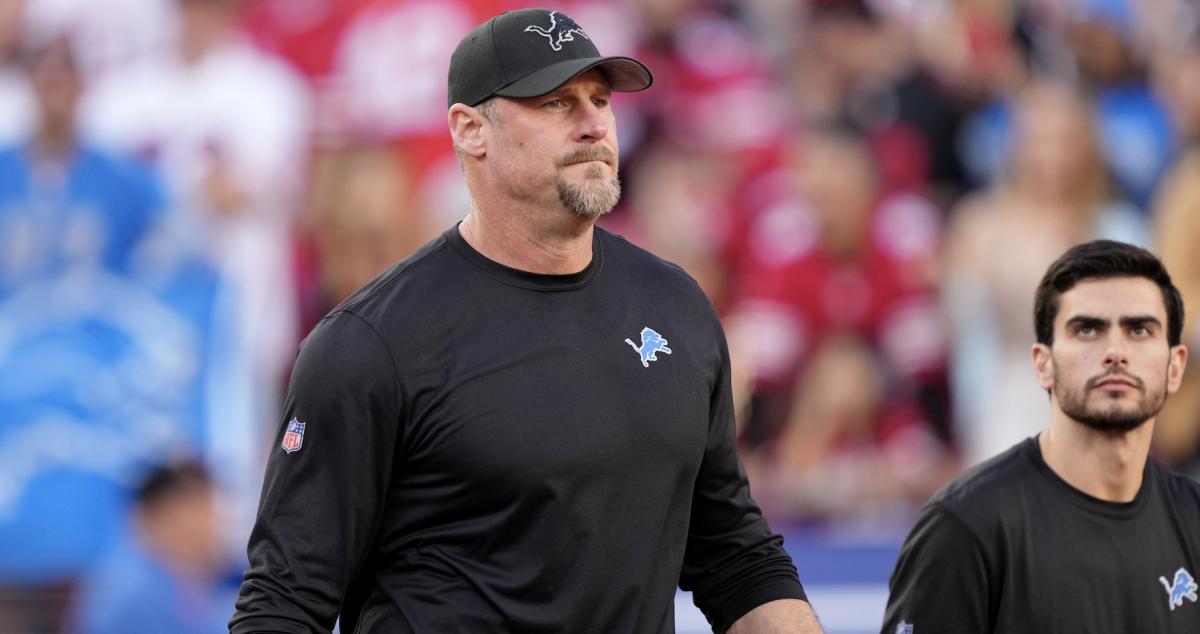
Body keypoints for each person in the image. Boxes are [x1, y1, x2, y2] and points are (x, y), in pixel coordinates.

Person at [230, 8, 822, 634]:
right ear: (470, 130)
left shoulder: (674, 308)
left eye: (600, 99)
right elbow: (284, 604)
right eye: (557, 103)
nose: (595, 125)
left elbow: (734, 554)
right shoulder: (371, 344)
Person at [882, 239, 1200, 633]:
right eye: (1087, 330)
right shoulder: (966, 525)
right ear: (1043, 365)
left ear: (1175, 367)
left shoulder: (1194, 520)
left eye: (1139, 330)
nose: (1116, 351)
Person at [72, 461, 235, 634]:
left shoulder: (172, 576)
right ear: (165, 516)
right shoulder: (139, 591)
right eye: (201, 507)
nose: (214, 522)